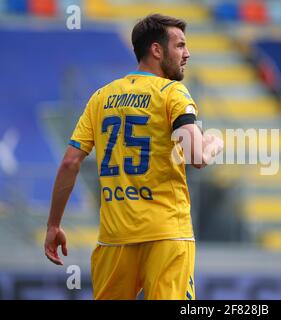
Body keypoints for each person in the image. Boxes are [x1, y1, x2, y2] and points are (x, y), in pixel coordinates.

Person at [44, 13, 223, 300]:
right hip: (166, 234)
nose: (187, 54)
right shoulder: (172, 93)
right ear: (156, 49)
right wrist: (214, 142)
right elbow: (197, 156)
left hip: (114, 239)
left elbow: (70, 162)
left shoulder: (101, 97)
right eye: (179, 46)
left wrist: (54, 224)